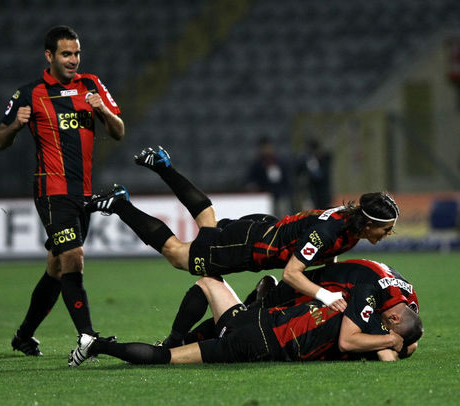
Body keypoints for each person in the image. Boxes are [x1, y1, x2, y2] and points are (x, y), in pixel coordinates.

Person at [86, 146, 399, 313]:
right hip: (248, 247)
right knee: (179, 255)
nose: (387, 235)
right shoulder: (334, 230)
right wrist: (325, 296)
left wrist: (324, 278)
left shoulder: (352, 227)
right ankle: (119, 203)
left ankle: (163, 166)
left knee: (207, 220)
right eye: (386, 229)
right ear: (371, 222)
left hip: (262, 231)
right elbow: (291, 274)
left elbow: (323, 252)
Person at [0, 25, 125, 359]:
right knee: (73, 258)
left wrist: (103, 111)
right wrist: (15, 125)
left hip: (82, 192)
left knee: (56, 267)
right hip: (51, 190)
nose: (73, 60)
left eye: (77, 53)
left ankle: (24, 336)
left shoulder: (91, 85)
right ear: (49, 56)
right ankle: (88, 337)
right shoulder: (29, 93)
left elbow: (119, 131)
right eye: (66, 54)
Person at [68, 272, 422, 366]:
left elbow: (397, 344)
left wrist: (398, 339)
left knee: (208, 283)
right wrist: (395, 341)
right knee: (166, 359)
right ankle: (97, 345)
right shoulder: (374, 330)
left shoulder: (363, 310)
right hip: (257, 340)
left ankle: (175, 336)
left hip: (256, 321)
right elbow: (391, 353)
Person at [157, 258, 420, 351]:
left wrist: (398, 342)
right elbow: (353, 340)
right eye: (388, 326)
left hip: (319, 289)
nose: (384, 327)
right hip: (299, 290)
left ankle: (181, 343)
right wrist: (390, 343)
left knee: (238, 321)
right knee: (238, 323)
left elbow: (412, 336)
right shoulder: (371, 293)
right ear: (394, 318)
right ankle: (178, 341)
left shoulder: (402, 300)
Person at [245, 136, 293, 217]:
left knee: (283, 215)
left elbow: (286, 178)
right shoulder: (258, 165)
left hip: (281, 195)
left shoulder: (280, 162)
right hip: (266, 196)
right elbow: (251, 179)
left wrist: (287, 191)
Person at [296, 138, 332, 209]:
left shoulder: (324, 159)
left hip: (323, 193)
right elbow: (298, 171)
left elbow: (320, 176)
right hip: (312, 193)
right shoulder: (307, 160)